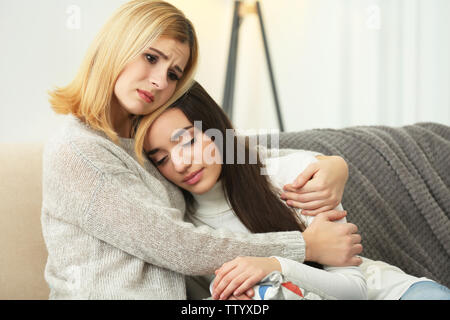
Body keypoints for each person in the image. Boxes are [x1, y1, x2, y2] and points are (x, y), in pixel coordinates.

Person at [42, 0, 362, 299]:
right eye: (151, 58)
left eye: (172, 74)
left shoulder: (145, 137)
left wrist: (331, 164)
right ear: (116, 48)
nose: (158, 82)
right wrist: (304, 245)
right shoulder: (78, 151)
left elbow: (236, 152)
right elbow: (175, 244)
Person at [143, 81, 450, 300]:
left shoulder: (295, 177)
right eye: (162, 158)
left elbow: (355, 290)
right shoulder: (182, 232)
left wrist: (275, 265)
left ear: (216, 130)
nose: (181, 164)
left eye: (189, 141)